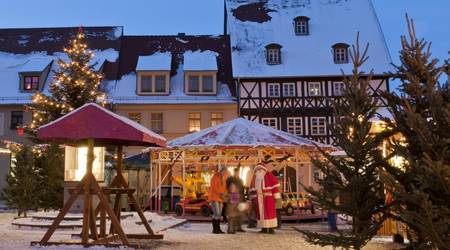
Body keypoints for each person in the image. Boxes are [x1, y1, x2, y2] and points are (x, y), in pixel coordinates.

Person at [249, 163, 281, 234]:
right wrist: (253, 198)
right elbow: (252, 189)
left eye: (260, 169)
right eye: (257, 169)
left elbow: (275, 188)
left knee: (269, 213)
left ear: (264, 169)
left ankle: (271, 229)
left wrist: (276, 197)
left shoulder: (270, 176)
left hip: (268, 198)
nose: (259, 171)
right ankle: (263, 228)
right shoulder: (255, 177)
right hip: (259, 199)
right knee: (261, 214)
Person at [226, 167, 245, 232]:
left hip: (240, 197)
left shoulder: (240, 180)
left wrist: (243, 198)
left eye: (238, 172)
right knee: (232, 215)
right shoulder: (230, 179)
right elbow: (228, 187)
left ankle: (239, 227)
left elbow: (242, 189)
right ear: (234, 172)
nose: (237, 173)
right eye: (236, 172)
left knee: (239, 213)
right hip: (233, 196)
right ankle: (232, 228)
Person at [208, 166, 226, 234]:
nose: (224, 172)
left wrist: (223, 194)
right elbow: (214, 187)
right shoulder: (215, 177)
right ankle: (215, 229)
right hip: (214, 197)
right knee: (217, 213)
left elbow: (224, 188)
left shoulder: (223, 178)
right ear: (220, 171)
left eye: (225, 171)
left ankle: (218, 229)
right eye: (223, 171)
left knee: (219, 214)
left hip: (220, 198)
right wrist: (220, 193)